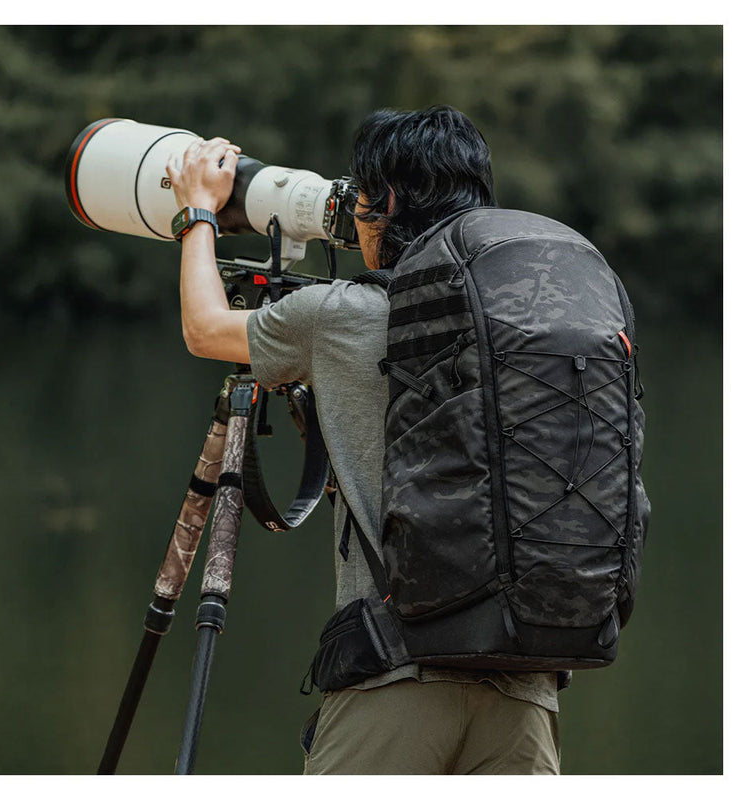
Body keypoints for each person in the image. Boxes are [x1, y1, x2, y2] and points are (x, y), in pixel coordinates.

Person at [165, 106, 562, 775]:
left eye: (362, 197)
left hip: (396, 678)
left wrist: (198, 214)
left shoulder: (342, 315)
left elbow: (206, 328)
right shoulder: (528, 319)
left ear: (389, 203)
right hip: (528, 688)